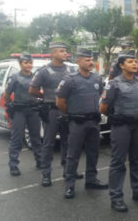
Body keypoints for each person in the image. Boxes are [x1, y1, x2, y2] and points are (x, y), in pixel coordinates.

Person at [100, 50, 138, 212]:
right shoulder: (114, 83)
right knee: (118, 162)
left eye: (135, 62)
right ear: (121, 65)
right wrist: (117, 116)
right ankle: (116, 197)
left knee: (137, 160)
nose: (134, 64)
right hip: (122, 127)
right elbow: (103, 108)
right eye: (130, 62)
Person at [56, 49, 108, 199]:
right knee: (73, 154)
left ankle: (91, 180)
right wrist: (73, 113)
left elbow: (101, 97)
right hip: (77, 122)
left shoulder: (96, 79)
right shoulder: (69, 80)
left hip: (93, 121)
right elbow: (60, 102)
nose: (91, 62)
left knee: (93, 152)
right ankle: (70, 185)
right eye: (87, 60)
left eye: (92, 59)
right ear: (78, 61)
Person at [29, 41, 77, 187]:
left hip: (66, 110)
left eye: (65, 51)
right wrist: (46, 97)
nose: (65, 53)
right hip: (51, 110)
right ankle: (46, 174)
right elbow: (32, 90)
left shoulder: (70, 70)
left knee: (66, 142)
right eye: (62, 51)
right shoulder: (44, 71)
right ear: (53, 53)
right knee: (48, 143)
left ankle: (67, 171)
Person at [5, 53, 42, 176]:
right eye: (26, 62)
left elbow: (40, 91)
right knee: (17, 138)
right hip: (19, 110)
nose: (29, 65)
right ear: (20, 64)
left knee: (36, 138)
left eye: (30, 62)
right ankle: (13, 165)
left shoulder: (36, 77)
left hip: (33, 110)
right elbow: (7, 94)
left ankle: (40, 161)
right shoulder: (15, 77)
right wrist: (9, 106)